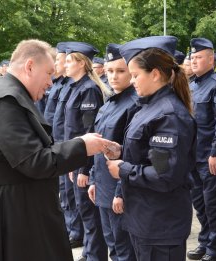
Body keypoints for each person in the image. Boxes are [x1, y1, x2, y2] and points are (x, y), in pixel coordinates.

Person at [0, 39, 117, 261]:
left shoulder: (4, 94)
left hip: (10, 203)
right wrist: (82, 146)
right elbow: (35, 161)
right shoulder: (5, 101)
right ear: (29, 67)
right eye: (48, 73)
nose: (50, 83)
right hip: (7, 209)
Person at [106, 35, 197, 261]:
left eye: (136, 75)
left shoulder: (167, 115)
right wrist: (120, 151)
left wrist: (123, 169)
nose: (132, 81)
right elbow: (149, 154)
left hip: (160, 225)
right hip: (144, 218)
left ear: (155, 74)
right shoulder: (148, 106)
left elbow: (164, 175)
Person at [88, 43, 138, 261]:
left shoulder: (134, 104)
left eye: (120, 71)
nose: (113, 77)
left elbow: (131, 152)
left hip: (119, 187)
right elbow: (100, 145)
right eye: (109, 71)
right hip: (103, 185)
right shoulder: (109, 103)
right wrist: (93, 179)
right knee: (113, 245)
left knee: (124, 249)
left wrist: (120, 192)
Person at [64, 41, 111, 261]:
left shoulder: (89, 90)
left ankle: (95, 255)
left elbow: (89, 132)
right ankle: (90, 252)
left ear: (81, 63)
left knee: (89, 213)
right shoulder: (76, 87)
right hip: (74, 158)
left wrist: (84, 168)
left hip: (83, 161)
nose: (64, 64)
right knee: (83, 211)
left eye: (68, 60)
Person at [187, 38, 216, 261]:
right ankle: (205, 243)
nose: (194, 61)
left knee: (215, 207)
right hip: (195, 158)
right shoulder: (192, 85)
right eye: (192, 57)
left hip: (213, 158)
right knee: (201, 205)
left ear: (211, 59)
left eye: (199, 57)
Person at [50, 42, 84, 248]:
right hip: (61, 145)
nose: (57, 64)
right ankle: (72, 229)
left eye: (61, 60)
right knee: (67, 194)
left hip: (73, 149)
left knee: (74, 196)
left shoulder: (85, 88)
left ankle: (77, 233)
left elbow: (84, 127)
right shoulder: (65, 86)